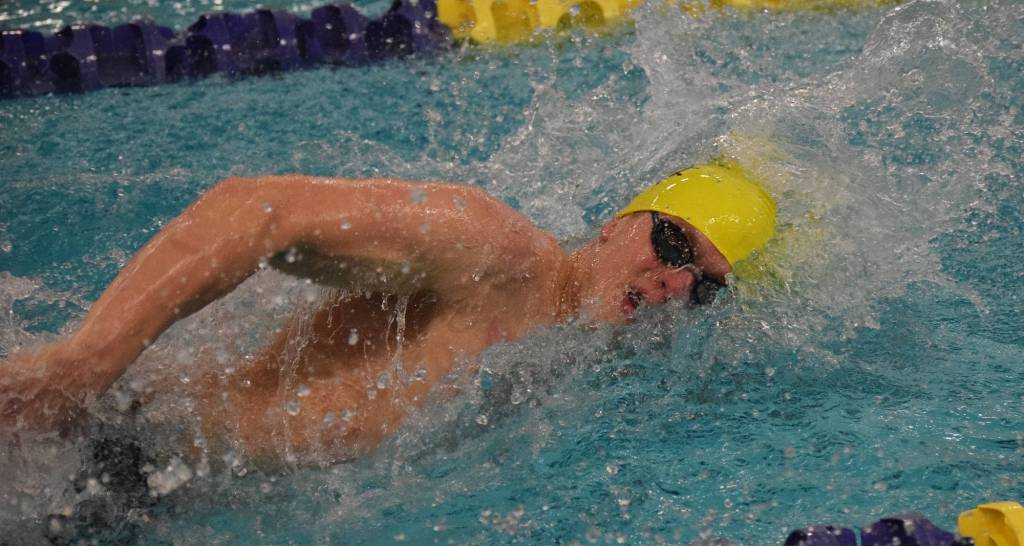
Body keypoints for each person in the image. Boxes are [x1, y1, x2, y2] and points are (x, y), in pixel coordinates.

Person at [0, 162, 775, 466]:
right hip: (103, 440)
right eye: (671, 240)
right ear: (616, 222)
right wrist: (85, 362)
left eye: (704, 285)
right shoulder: (494, 252)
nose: (672, 282)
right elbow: (257, 206)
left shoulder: (596, 359)